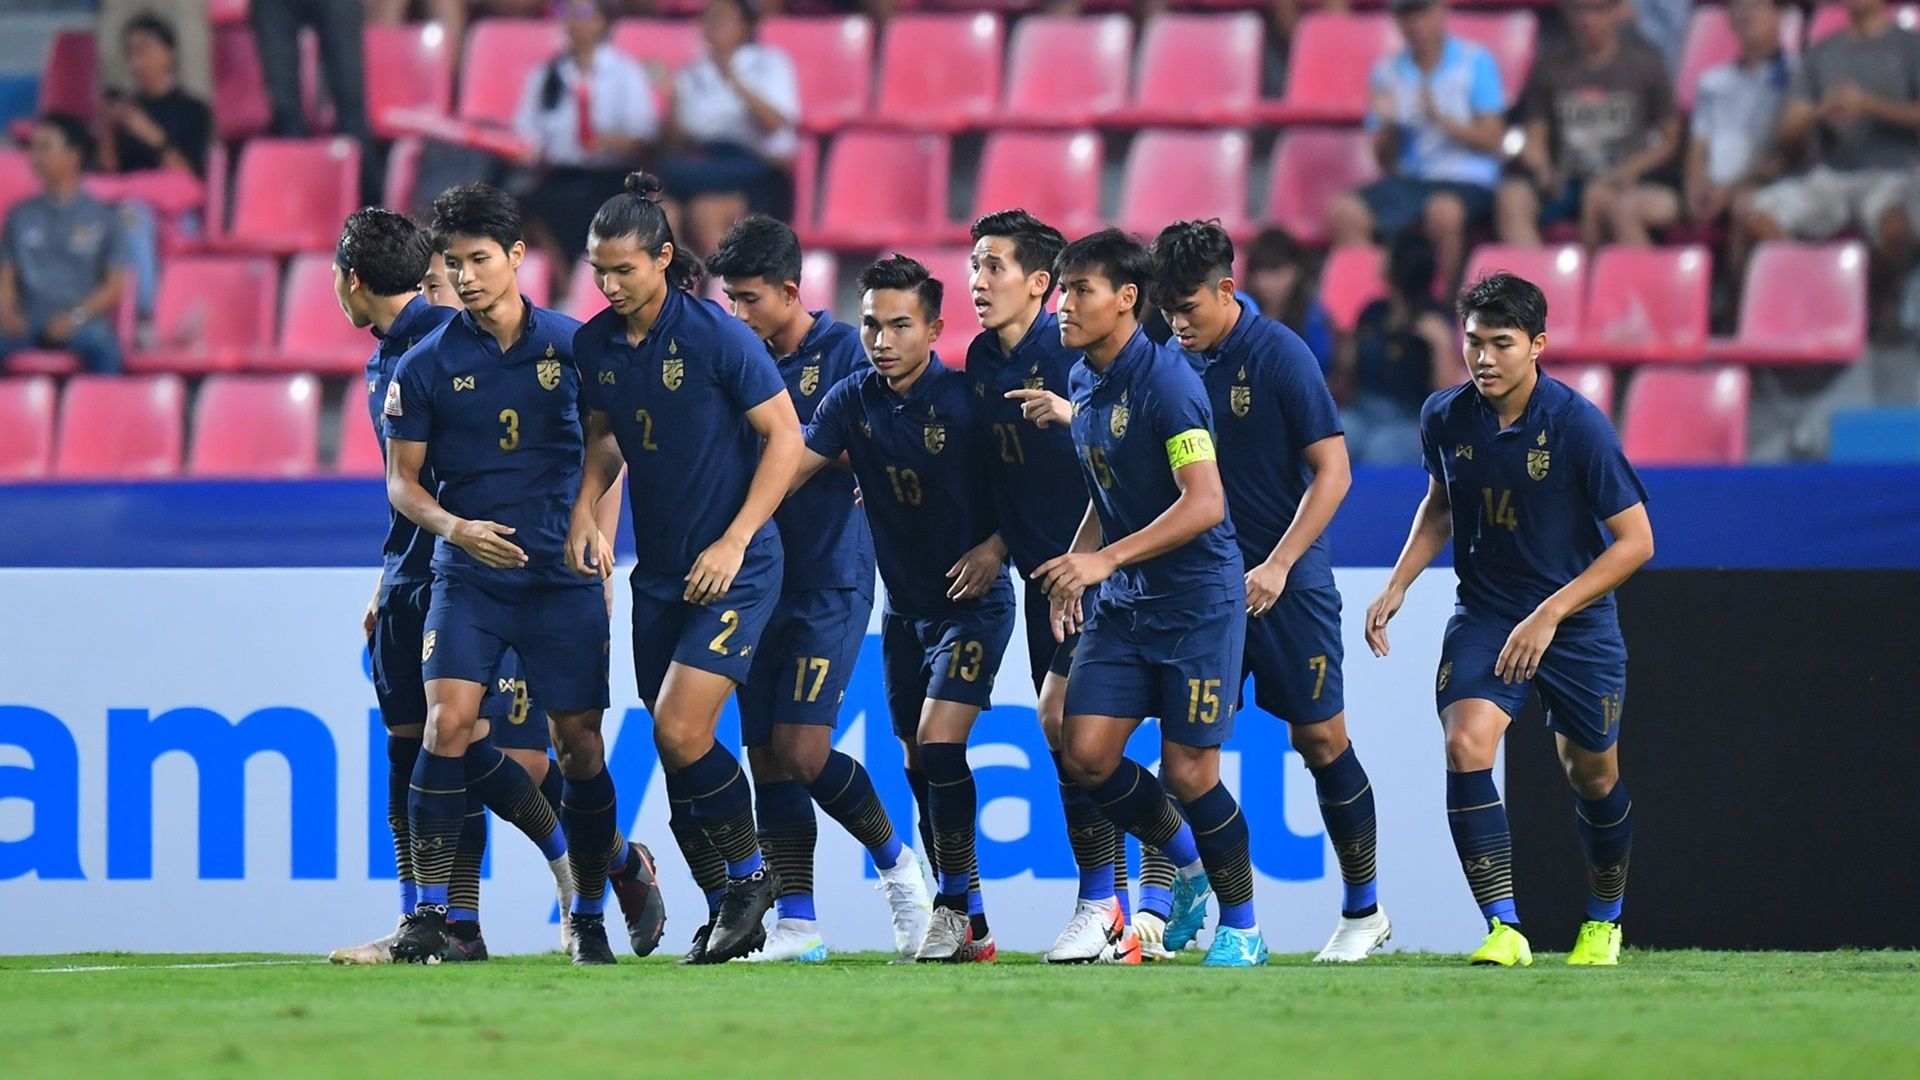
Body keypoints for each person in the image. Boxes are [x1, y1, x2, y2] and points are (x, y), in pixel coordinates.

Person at [1365, 272, 1654, 967]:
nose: (1484, 358)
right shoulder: (1444, 415)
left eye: (1502, 343)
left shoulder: (1579, 425)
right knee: (1466, 743)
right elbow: (1440, 507)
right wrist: (1399, 582)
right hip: (1488, 612)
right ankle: (1504, 927)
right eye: (1474, 342)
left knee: (1592, 776)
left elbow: (1637, 542)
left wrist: (1550, 614)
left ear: (1537, 346)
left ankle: (1604, 919)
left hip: (1573, 621)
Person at [383, 183, 625, 966]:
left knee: (579, 747)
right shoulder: (425, 365)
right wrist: (455, 528)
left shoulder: (575, 346)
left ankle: (589, 910)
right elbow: (402, 483)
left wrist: (589, 519)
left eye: (480, 259)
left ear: (518, 257)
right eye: (453, 264)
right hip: (469, 576)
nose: (466, 276)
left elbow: (608, 443)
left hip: (559, 575)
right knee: (447, 725)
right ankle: (429, 914)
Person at [570, 173, 805, 966]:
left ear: (664, 260)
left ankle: (751, 878)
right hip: (662, 573)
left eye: (624, 270)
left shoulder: (717, 337)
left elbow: (786, 438)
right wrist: (585, 508)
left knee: (679, 728)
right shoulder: (595, 346)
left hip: (736, 566)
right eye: (599, 271)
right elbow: (605, 439)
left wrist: (736, 539)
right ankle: (722, 912)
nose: (609, 286)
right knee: (676, 750)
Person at [1148, 219, 1389, 963]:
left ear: (1227, 289)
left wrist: (1280, 564)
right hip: (1202, 586)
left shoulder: (1280, 354)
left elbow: (1334, 472)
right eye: (1167, 310)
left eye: (1189, 307)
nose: (1177, 323)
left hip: (1287, 583)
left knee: (1320, 740)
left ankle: (1364, 912)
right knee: (1184, 759)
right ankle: (1187, 908)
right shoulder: (1168, 362)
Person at [1029, 229, 1264, 968]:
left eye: (1081, 291)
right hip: (1127, 604)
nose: (1064, 305)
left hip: (1197, 604)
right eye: (1063, 291)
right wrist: (1078, 568)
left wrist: (1103, 561)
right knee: (1085, 752)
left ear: (1127, 299)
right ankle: (1187, 865)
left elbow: (1205, 502)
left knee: (1191, 773)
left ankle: (1244, 928)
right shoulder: (1082, 379)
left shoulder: (1168, 385)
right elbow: (1107, 490)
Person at [707, 214, 933, 963]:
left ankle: (898, 866)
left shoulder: (845, 352)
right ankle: (797, 924)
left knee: (804, 748)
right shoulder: (732, 357)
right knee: (765, 755)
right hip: (754, 582)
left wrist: (821, 451)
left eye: (749, 299)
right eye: (729, 300)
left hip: (830, 575)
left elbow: (882, 441)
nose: (738, 313)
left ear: (789, 291)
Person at [791, 255, 1016, 963]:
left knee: (941, 744)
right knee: (921, 765)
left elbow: (1033, 488)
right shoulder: (851, 401)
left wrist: (997, 547)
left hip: (973, 605)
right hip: (904, 611)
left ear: (934, 330)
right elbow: (791, 471)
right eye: (870, 325)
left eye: (899, 326)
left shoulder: (970, 401)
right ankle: (972, 918)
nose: (882, 341)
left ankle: (950, 908)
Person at [967, 209, 1144, 966]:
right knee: (1068, 740)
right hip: (1044, 578)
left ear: (1039, 284)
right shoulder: (982, 359)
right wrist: (997, 542)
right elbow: (1006, 472)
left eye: (994, 267)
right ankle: (1127, 905)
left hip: (1102, 572)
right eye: (974, 267)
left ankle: (1112, 901)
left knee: (1068, 727)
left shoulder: (1072, 350)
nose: (978, 282)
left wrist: (1072, 415)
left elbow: (1130, 448)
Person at [1746, 0, 1919, 316]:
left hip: (1895, 171)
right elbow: (1790, 128)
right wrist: (1820, 112)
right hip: (1832, 174)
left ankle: (1877, 311)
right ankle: (1822, 297)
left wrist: (1870, 105)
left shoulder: (1910, 47)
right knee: (1756, 215)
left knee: (1895, 228)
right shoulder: (1821, 53)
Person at [1329, 0, 1506, 293]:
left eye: (1421, 13)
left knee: (1444, 212)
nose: (1415, 25)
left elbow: (1492, 139)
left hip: (1467, 178)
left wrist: (1441, 120)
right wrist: (1387, 127)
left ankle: (1446, 305)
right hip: (1413, 180)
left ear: (1440, 12)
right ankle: (1374, 303)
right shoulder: (1386, 73)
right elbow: (1385, 160)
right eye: (1406, 16)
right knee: (1346, 211)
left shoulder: (1474, 62)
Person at [1498, 0, 1681, 249]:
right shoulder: (1549, 67)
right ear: (1566, 12)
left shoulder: (1645, 63)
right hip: (1566, 180)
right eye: (1579, 9)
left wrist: (1631, 169)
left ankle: (1603, 272)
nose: (1587, 19)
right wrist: (1542, 168)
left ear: (1616, 11)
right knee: (1512, 198)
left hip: (1623, 180)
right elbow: (1535, 137)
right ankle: (1535, 274)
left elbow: (1670, 140)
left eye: (1598, 9)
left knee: (1600, 197)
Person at [512, 0, 659, 273]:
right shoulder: (547, 74)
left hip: (611, 175)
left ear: (604, 21)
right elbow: (526, 131)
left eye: (585, 13)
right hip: (560, 175)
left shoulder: (626, 72)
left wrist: (608, 141)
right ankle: (566, 282)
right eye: (567, 13)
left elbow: (642, 133)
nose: (575, 21)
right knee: (525, 207)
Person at [657, 0, 801, 255]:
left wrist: (732, 78)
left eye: (723, 18)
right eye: (709, 19)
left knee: (706, 211)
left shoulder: (770, 64)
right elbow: (676, 145)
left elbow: (773, 123)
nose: (714, 26)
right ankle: (679, 279)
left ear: (745, 27)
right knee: (663, 212)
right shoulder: (691, 73)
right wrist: (673, 102)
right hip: (704, 166)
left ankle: (723, 279)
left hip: (755, 172)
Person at [0, 115, 126, 375]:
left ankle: (101, 402)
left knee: (103, 347)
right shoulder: (20, 215)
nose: (35, 157)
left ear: (73, 156)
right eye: (33, 147)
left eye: (45, 147)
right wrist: (6, 312)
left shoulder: (103, 216)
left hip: (81, 319)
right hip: (29, 317)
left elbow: (114, 285)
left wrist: (75, 318)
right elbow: (6, 275)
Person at [1685, 0, 1793, 279]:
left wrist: (1731, 190)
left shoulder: (1797, 76)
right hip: (1713, 190)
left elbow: (1788, 156)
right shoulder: (1712, 81)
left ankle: (1745, 299)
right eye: (1739, 6)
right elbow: (1698, 147)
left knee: (1744, 206)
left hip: (1766, 185)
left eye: (1756, 6)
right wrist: (1695, 187)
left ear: (1778, 14)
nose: (1746, 13)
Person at [1337, 232, 1458, 465]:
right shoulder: (1373, 312)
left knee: (1381, 448)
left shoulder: (1434, 321)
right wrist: (1344, 353)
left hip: (1410, 419)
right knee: (1334, 435)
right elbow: (1348, 377)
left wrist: (1441, 346)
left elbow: (1447, 399)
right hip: (1364, 410)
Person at [95, 14, 213, 178]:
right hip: (126, 190)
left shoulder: (194, 110)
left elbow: (187, 176)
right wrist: (107, 130)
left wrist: (150, 134)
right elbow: (109, 174)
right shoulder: (126, 109)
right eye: (130, 53)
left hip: (169, 192)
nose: (136, 62)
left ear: (169, 54)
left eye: (144, 51)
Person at [1242, 228, 1334, 374]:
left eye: (1275, 272)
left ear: (1295, 271)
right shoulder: (1240, 315)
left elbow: (1320, 366)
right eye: (1259, 272)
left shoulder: (1313, 317)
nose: (1265, 283)